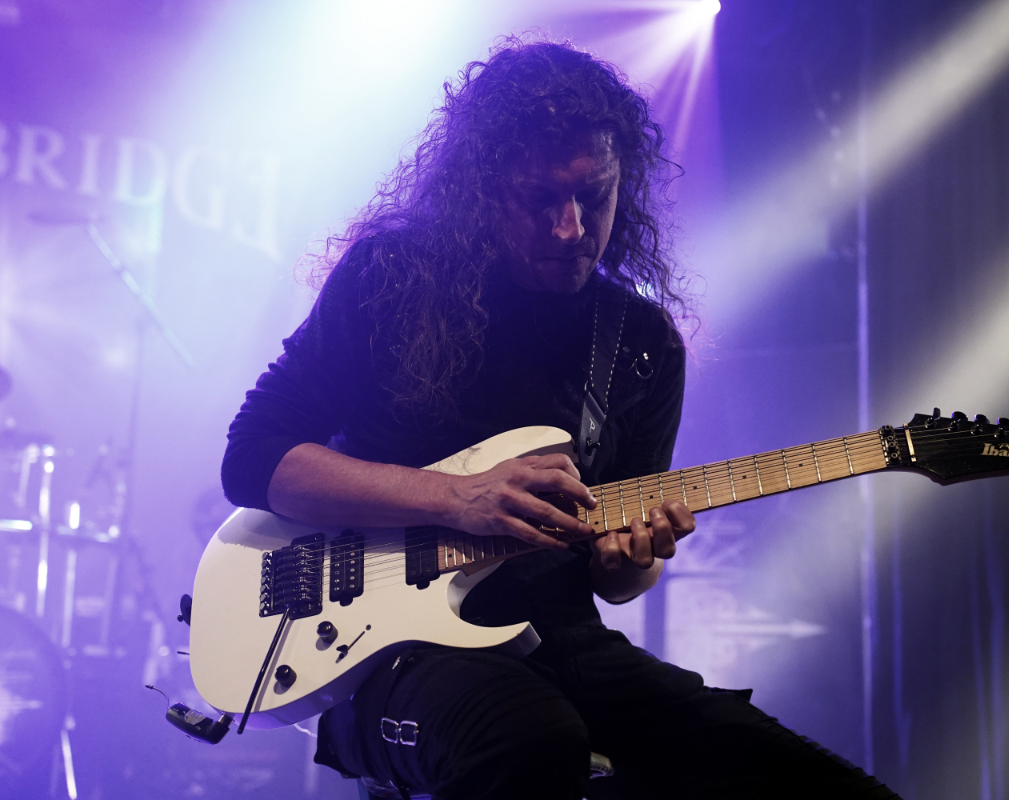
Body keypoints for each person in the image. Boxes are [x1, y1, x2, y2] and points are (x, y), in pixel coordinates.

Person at [222, 37, 899, 800]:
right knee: (533, 740)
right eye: (540, 199)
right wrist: (457, 498)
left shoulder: (640, 342)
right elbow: (252, 457)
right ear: (482, 191)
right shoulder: (391, 281)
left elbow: (617, 579)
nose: (571, 227)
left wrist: (632, 556)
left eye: (595, 195)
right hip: (382, 658)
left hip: (559, 640)